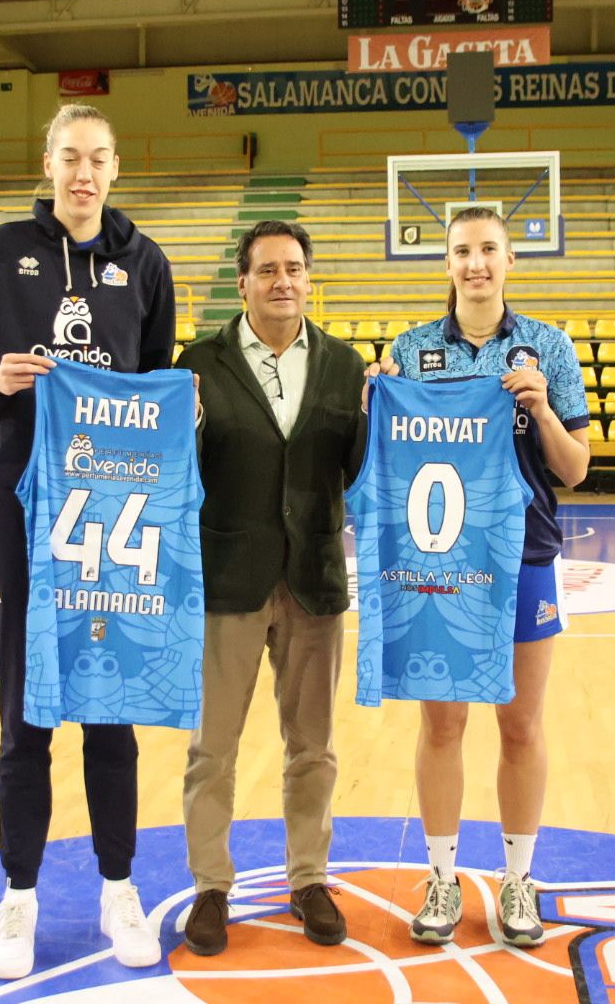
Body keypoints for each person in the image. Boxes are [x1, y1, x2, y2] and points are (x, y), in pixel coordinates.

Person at [0, 103, 176, 981]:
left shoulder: (144, 260)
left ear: (116, 168)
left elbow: (157, 384)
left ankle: (119, 887)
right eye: (70, 158)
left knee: (111, 714)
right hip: (18, 510)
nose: (84, 173)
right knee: (24, 717)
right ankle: (21, 896)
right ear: (47, 164)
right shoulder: (1, 250)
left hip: (113, 517)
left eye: (98, 159)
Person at [377, 206, 590, 947]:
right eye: (463, 251)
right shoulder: (408, 348)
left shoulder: (549, 348)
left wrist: (540, 407)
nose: (476, 264)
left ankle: (518, 882)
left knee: (521, 723)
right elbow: (382, 458)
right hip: (438, 562)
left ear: (510, 261)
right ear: (446, 263)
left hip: (526, 554)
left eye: (489, 250)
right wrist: (378, 400)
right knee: (442, 722)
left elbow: (576, 468)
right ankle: (440, 879)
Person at [176, 220, 367, 956]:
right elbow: (176, 468)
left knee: (312, 747)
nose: (282, 280)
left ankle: (308, 878)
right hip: (228, 578)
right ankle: (210, 888)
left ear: (309, 279)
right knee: (212, 747)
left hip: (314, 580)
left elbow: (356, 469)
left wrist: (380, 411)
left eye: (293, 268)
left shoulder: (348, 368)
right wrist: (183, 423)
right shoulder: (198, 365)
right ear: (243, 283)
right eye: (267, 270)